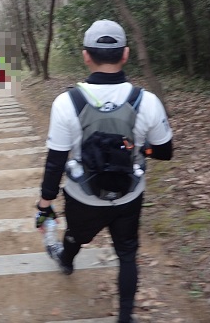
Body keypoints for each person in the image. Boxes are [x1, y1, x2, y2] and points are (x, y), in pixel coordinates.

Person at [35, 20, 173, 323]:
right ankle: (125, 316)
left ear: (86, 56)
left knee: (76, 235)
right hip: (129, 195)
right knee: (127, 253)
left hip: (83, 197)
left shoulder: (66, 102)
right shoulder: (147, 101)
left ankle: (66, 260)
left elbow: (55, 161)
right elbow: (165, 151)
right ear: (125, 54)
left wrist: (45, 204)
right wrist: (139, 149)